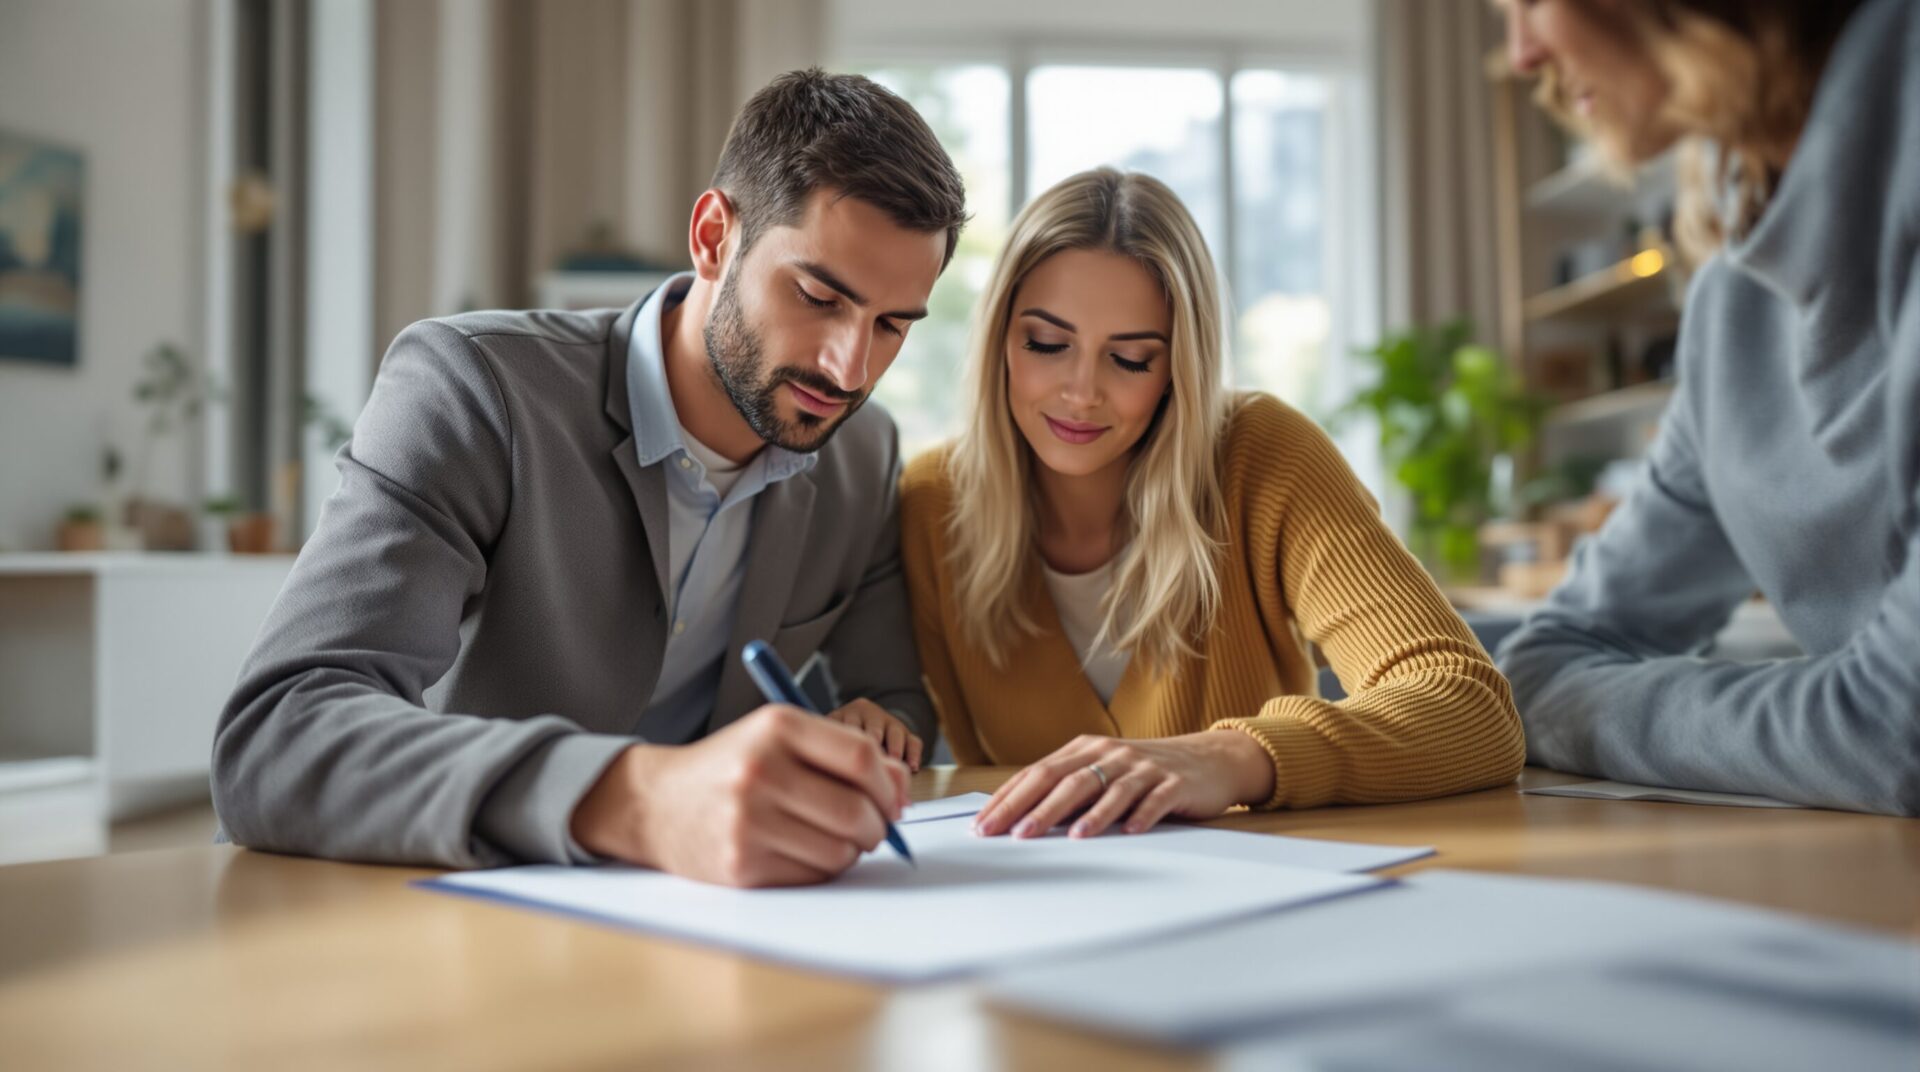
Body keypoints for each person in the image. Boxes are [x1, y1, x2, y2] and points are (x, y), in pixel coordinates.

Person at [212, 69, 970, 886]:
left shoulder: (863, 455)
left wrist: (877, 730)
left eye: (892, 325)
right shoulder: (472, 389)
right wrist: (638, 798)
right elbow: (274, 739)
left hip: (710, 924)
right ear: (715, 236)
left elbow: (895, 701)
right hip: (436, 904)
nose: (849, 367)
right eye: (819, 296)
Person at [895, 169, 1524, 840]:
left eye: (1132, 359)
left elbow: (1472, 709)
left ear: (1178, 368)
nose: (1081, 393)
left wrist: (1233, 758)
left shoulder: (1264, 455)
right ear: (999, 341)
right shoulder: (931, 503)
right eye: (1047, 345)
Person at [1494, 0, 1920, 815]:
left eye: (1528, 2)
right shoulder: (1732, 308)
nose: (1522, 54)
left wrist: (1589, 705)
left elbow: (1904, 727)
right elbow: (1547, 660)